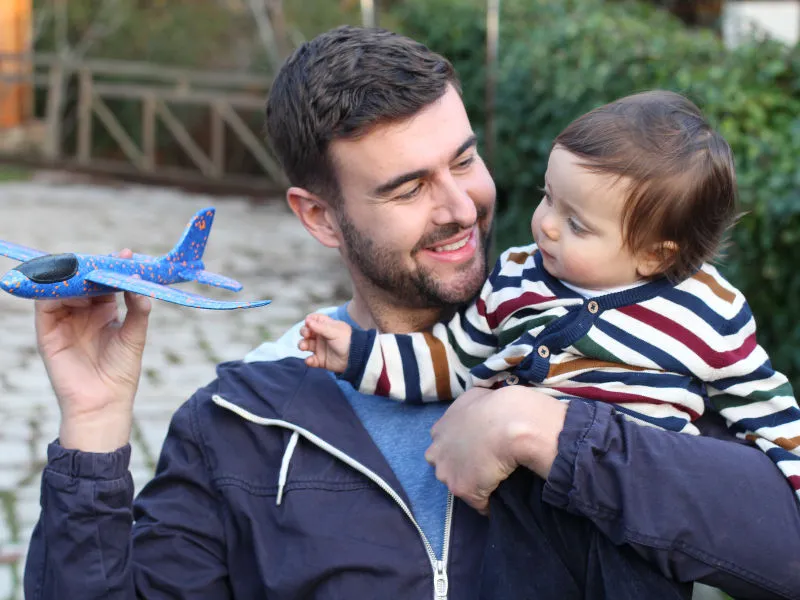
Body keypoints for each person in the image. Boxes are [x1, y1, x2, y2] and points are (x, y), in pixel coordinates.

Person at [22, 25, 800, 600]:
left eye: (463, 159)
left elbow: (783, 549)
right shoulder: (238, 424)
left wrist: (544, 430)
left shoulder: (650, 344)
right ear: (320, 218)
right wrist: (91, 426)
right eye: (407, 188)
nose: (463, 208)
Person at [298, 90, 800, 502]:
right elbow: (452, 357)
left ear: (654, 256)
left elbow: (762, 403)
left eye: (576, 223)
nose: (547, 226)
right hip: (524, 514)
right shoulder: (517, 276)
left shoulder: (708, 308)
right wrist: (358, 354)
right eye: (547, 197)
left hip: (635, 511)